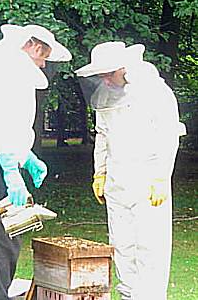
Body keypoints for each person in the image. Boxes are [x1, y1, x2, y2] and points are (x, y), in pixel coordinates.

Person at [0, 24, 71, 300]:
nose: (44, 64)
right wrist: (12, 171)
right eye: (43, 56)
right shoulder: (13, 71)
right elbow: (4, 124)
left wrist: (26, 157)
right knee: (2, 240)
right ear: (33, 46)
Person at [75, 42, 186, 300]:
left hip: (148, 180)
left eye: (109, 73)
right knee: (121, 244)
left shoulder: (154, 91)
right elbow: (102, 135)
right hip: (116, 179)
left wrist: (161, 177)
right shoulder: (104, 95)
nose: (104, 79)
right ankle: (128, 295)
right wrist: (99, 173)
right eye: (100, 74)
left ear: (124, 69)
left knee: (150, 245)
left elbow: (169, 136)